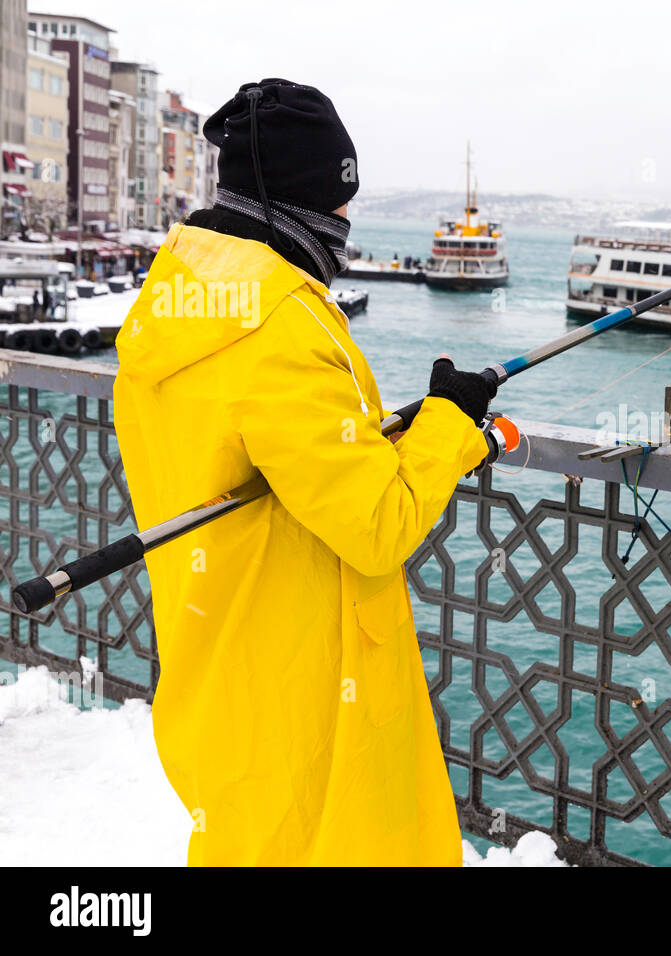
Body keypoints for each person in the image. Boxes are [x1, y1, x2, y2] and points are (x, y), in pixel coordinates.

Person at [113, 78, 494, 865]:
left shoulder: (173, 305)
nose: (348, 222)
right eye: (339, 200)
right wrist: (451, 425)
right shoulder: (282, 328)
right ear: (304, 203)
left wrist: (365, 435)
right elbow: (377, 524)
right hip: (311, 685)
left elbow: (257, 455)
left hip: (215, 655)